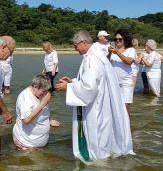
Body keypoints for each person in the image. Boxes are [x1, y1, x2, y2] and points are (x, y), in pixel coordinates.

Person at [56, 30, 134, 163]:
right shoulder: (97, 55)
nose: (75, 49)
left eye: (75, 45)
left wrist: (68, 88)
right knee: (103, 131)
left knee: (96, 134)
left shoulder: (92, 58)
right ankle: (108, 158)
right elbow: (92, 81)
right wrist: (73, 82)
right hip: (101, 102)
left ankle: (98, 162)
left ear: (84, 43)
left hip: (96, 106)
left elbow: (89, 87)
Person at [12, 75, 60, 150]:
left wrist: (49, 120)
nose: (45, 94)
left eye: (46, 91)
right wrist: (43, 104)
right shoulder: (25, 98)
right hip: (26, 144)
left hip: (39, 144)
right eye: (43, 91)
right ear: (35, 87)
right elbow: (26, 120)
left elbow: (43, 111)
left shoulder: (42, 94)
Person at [108, 29, 136, 113]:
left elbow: (129, 62)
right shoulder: (113, 51)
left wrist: (118, 53)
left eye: (120, 39)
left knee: (125, 107)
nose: (117, 41)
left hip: (126, 82)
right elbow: (106, 63)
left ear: (125, 40)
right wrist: (109, 53)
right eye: (116, 39)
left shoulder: (131, 50)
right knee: (114, 107)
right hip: (114, 82)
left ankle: (127, 125)